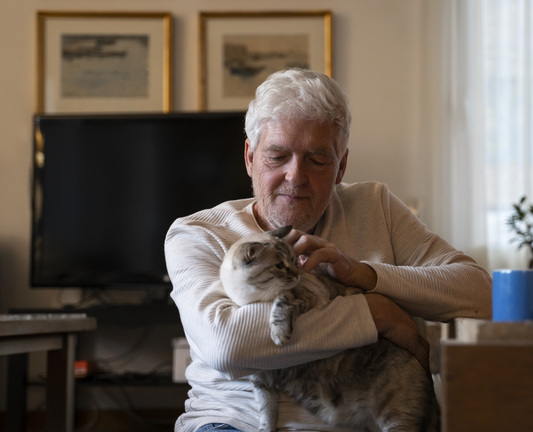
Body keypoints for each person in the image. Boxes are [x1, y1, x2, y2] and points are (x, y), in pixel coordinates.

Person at [165, 68, 492, 432]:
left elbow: (482, 294)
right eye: (277, 156)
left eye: (318, 159)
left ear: (341, 167)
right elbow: (226, 345)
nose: (295, 176)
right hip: (236, 423)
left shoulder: (376, 206)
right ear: (249, 157)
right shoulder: (198, 233)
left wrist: (363, 274)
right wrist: (374, 313)